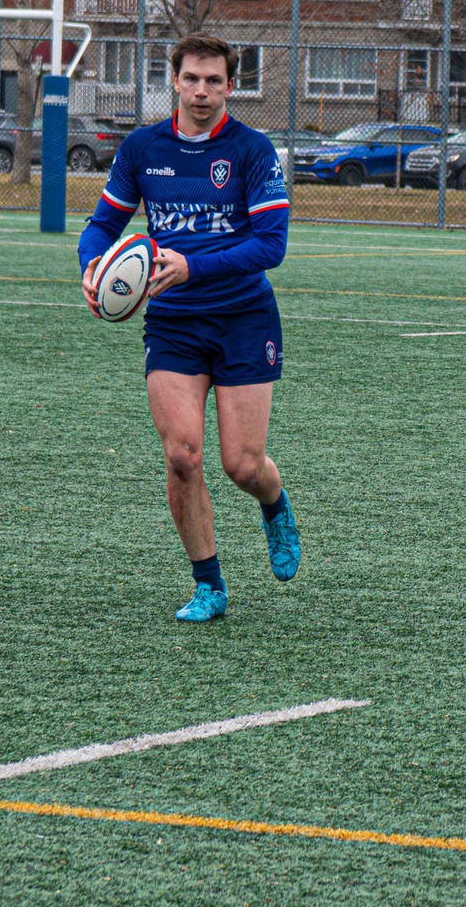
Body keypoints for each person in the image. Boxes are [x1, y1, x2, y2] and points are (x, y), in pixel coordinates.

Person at [78, 33, 299, 622]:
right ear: (173, 80)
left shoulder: (252, 150)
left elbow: (271, 246)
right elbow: (101, 227)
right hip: (173, 322)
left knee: (242, 466)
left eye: (215, 81)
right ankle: (209, 584)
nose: (202, 91)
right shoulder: (142, 148)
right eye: (192, 79)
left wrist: (192, 264)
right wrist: (92, 267)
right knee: (182, 455)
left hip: (243, 316)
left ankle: (274, 503)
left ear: (231, 85)